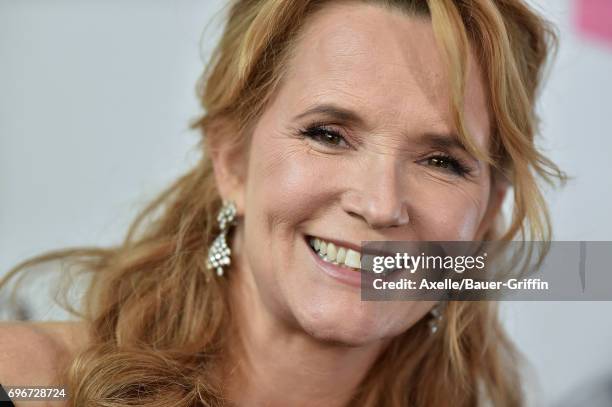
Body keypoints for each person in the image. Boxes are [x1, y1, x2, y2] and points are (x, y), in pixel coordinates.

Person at [0, 0, 566, 406]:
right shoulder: (30, 383)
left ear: (487, 214)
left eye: (442, 161)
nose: (379, 204)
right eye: (328, 134)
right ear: (231, 161)